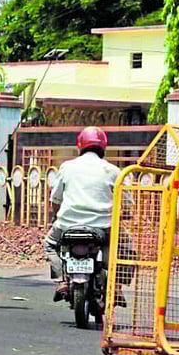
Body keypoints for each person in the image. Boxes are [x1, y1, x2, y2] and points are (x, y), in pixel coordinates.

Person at [45, 126, 121, 300]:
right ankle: (116, 286)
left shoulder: (67, 167)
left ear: (80, 146)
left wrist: (56, 218)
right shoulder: (113, 171)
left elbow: (55, 199)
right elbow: (126, 203)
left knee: (49, 244)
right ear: (103, 147)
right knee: (124, 247)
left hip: (67, 225)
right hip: (103, 226)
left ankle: (61, 280)